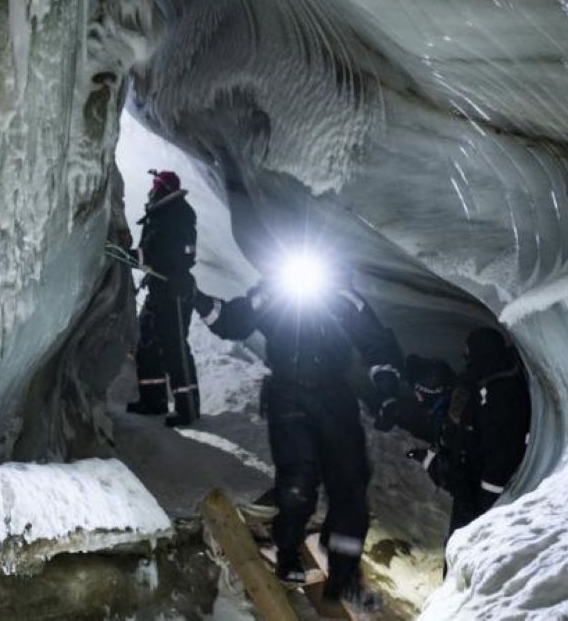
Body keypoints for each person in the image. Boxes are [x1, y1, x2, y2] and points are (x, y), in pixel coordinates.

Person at [193, 265, 401, 604]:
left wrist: (389, 389)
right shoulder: (277, 292)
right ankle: (287, 550)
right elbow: (235, 320)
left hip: (334, 396)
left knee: (350, 484)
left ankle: (345, 575)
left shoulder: (345, 299)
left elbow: (376, 344)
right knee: (299, 481)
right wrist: (201, 302)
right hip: (288, 396)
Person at [406, 327, 532, 542]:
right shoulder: (490, 384)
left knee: (463, 546)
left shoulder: (493, 393)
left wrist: (488, 500)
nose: (465, 356)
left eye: (468, 352)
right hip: (481, 491)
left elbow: (471, 458)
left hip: (481, 497)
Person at [126, 169, 201, 427]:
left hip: (175, 292)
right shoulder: (161, 214)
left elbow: (179, 255)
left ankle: (188, 408)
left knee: (175, 348)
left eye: (155, 186)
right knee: (146, 341)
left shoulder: (178, 215)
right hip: (159, 289)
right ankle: (153, 400)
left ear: (163, 189)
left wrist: (140, 258)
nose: (151, 190)